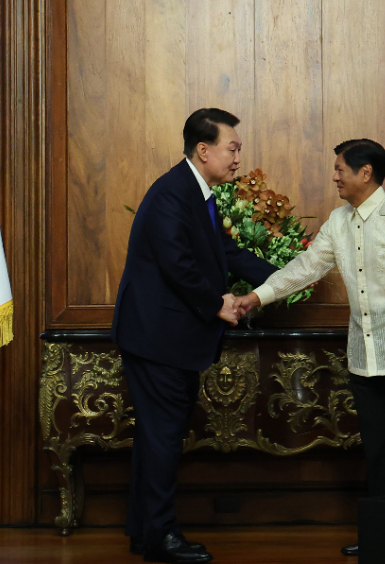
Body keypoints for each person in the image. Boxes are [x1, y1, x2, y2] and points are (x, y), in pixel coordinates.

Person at [234, 139, 385, 557]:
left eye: (340, 169)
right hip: (363, 355)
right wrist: (257, 297)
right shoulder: (338, 221)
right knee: (376, 448)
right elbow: (304, 268)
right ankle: (383, 535)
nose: (334, 176)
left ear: (366, 173)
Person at [112, 108, 277, 564]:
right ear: (203, 150)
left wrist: (283, 280)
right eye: (233, 147)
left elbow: (225, 251)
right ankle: (162, 537)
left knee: (156, 439)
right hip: (157, 338)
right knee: (163, 439)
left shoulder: (196, 192)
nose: (238, 157)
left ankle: (146, 533)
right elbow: (176, 263)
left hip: (163, 337)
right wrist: (216, 304)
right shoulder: (171, 193)